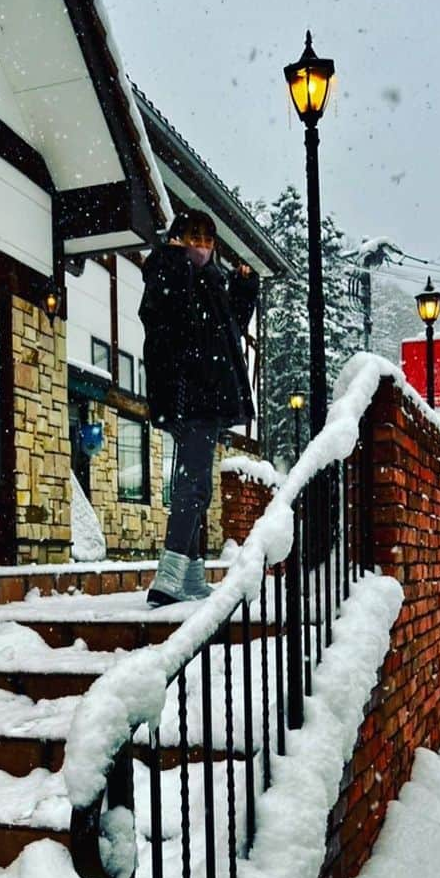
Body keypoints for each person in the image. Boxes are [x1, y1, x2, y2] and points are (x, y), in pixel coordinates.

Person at [140, 209, 259, 605]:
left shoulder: (210, 279)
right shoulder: (167, 272)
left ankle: (189, 575)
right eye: (195, 238)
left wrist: (244, 291)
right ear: (179, 239)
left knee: (197, 484)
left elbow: (225, 329)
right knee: (192, 485)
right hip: (189, 396)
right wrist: (176, 262)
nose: (203, 247)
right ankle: (167, 577)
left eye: (208, 240)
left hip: (205, 397)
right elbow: (177, 321)